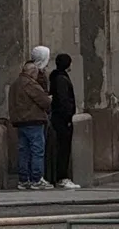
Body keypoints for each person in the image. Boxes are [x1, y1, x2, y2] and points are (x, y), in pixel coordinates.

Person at [7, 46, 53, 190]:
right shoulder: (30, 83)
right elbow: (44, 101)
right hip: (33, 120)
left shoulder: (15, 84)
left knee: (23, 151)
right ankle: (36, 179)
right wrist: (50, 99)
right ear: (32, 72)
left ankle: (23, 179)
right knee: (37, 150)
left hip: (20, 122)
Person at [48, 53, 81, 189]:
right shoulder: (61, 79)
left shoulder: (57, 77)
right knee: (63, 149)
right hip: (62, 119)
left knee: (61, 148)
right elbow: (63, 100)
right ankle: (62, 177)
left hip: (59, 117)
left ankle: (60, 176)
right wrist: (68, 116)